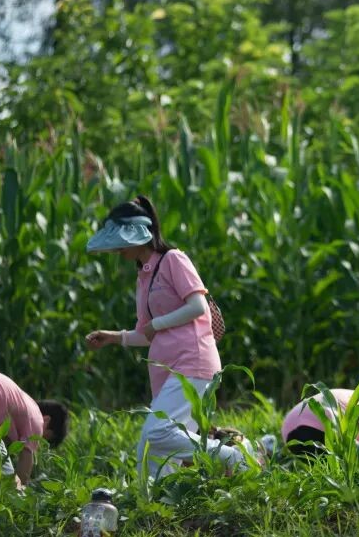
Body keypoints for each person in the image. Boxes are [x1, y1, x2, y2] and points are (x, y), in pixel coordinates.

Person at [83, 195, 245, 477]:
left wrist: (157, 324)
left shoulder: (173, 260)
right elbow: (147, 333)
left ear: (138, 235)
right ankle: (163, 501)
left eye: (121, 242)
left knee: (156, 433)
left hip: (192, 362)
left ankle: (232, 456)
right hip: (166, 371)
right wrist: (114, 337)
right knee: (152, 452)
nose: (118, 251)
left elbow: (197, 306)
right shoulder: (144, 276)